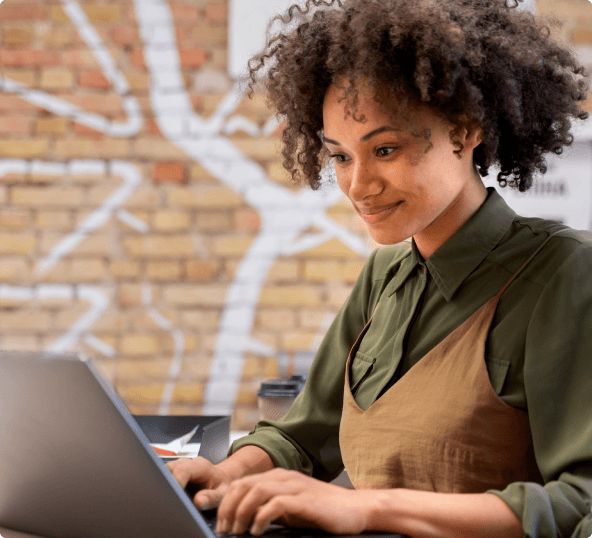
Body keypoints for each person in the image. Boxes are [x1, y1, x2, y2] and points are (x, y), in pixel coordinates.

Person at [169, 0, 592, 536]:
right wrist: (225, 475)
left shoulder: (563, 275)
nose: (358, 186)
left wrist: (369, 507)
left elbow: (581, 501)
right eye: (341, 157)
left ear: (465, 133)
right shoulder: (384, 275)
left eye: (385, 150)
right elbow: (302, 436)